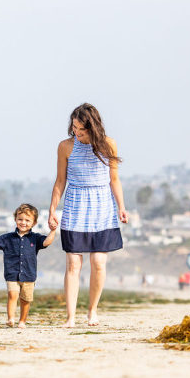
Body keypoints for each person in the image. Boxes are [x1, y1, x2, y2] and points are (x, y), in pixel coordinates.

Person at [48, 103, 127, 327]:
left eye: (82, 129)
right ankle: (70, 317)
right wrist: (52, 210)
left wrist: (121, 207)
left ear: (94, 127)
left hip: (102, 207)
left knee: (99, 262)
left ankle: (92, 311)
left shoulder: (108, 144)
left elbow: (114, 180)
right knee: (73, 263)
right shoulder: (65, 146)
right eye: (74, 127)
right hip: (75, 206)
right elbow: (60, 181)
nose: (77, 132)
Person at [0, 204, 56, 328]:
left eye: (27, 220)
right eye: (20, 219)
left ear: (34, 223)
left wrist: (53, 231)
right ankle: (11, 319)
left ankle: (22, 321)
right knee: (12, 295)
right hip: (12, 274)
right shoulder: (7, 238)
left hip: (29, 275)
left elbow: (46, 242)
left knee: (25, 300)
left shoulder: (35, 238)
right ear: (15, 219)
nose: (23, 222)